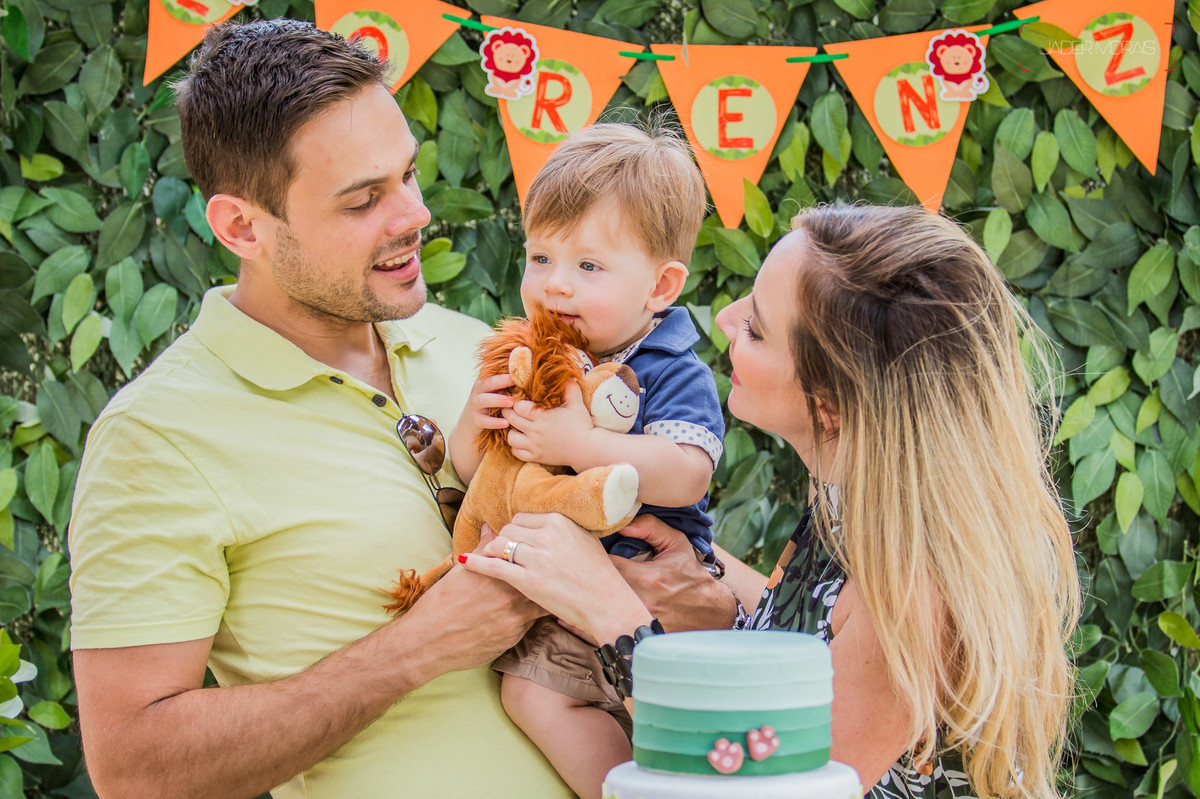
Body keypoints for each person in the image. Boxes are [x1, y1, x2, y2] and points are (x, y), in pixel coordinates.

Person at [66, 19, 591, 798]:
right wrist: (417, 647)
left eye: (408, 175)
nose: (413, 214)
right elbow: (134, 767)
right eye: (363, 200)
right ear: (241, 226)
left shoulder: (474, 344)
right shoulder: (156, 434)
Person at [463, 203, 1082, 799]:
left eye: (756, 328)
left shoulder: (919, 590)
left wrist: (611, 613)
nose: (725, 320)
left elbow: (764, 786)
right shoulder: (857, 501)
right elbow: (817, 641)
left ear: (829, 405)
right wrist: (698, 573)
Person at [447, 123, 724, 799]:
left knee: (536, 695)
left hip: (645, 589)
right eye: (541, 258)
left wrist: (580, 446)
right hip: (564, 590)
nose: (555, 286)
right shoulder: (535, 355)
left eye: (589, 267)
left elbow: (687, 470)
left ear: (660, 286)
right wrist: (474, 423)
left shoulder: (670, 366)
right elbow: (479, 475)